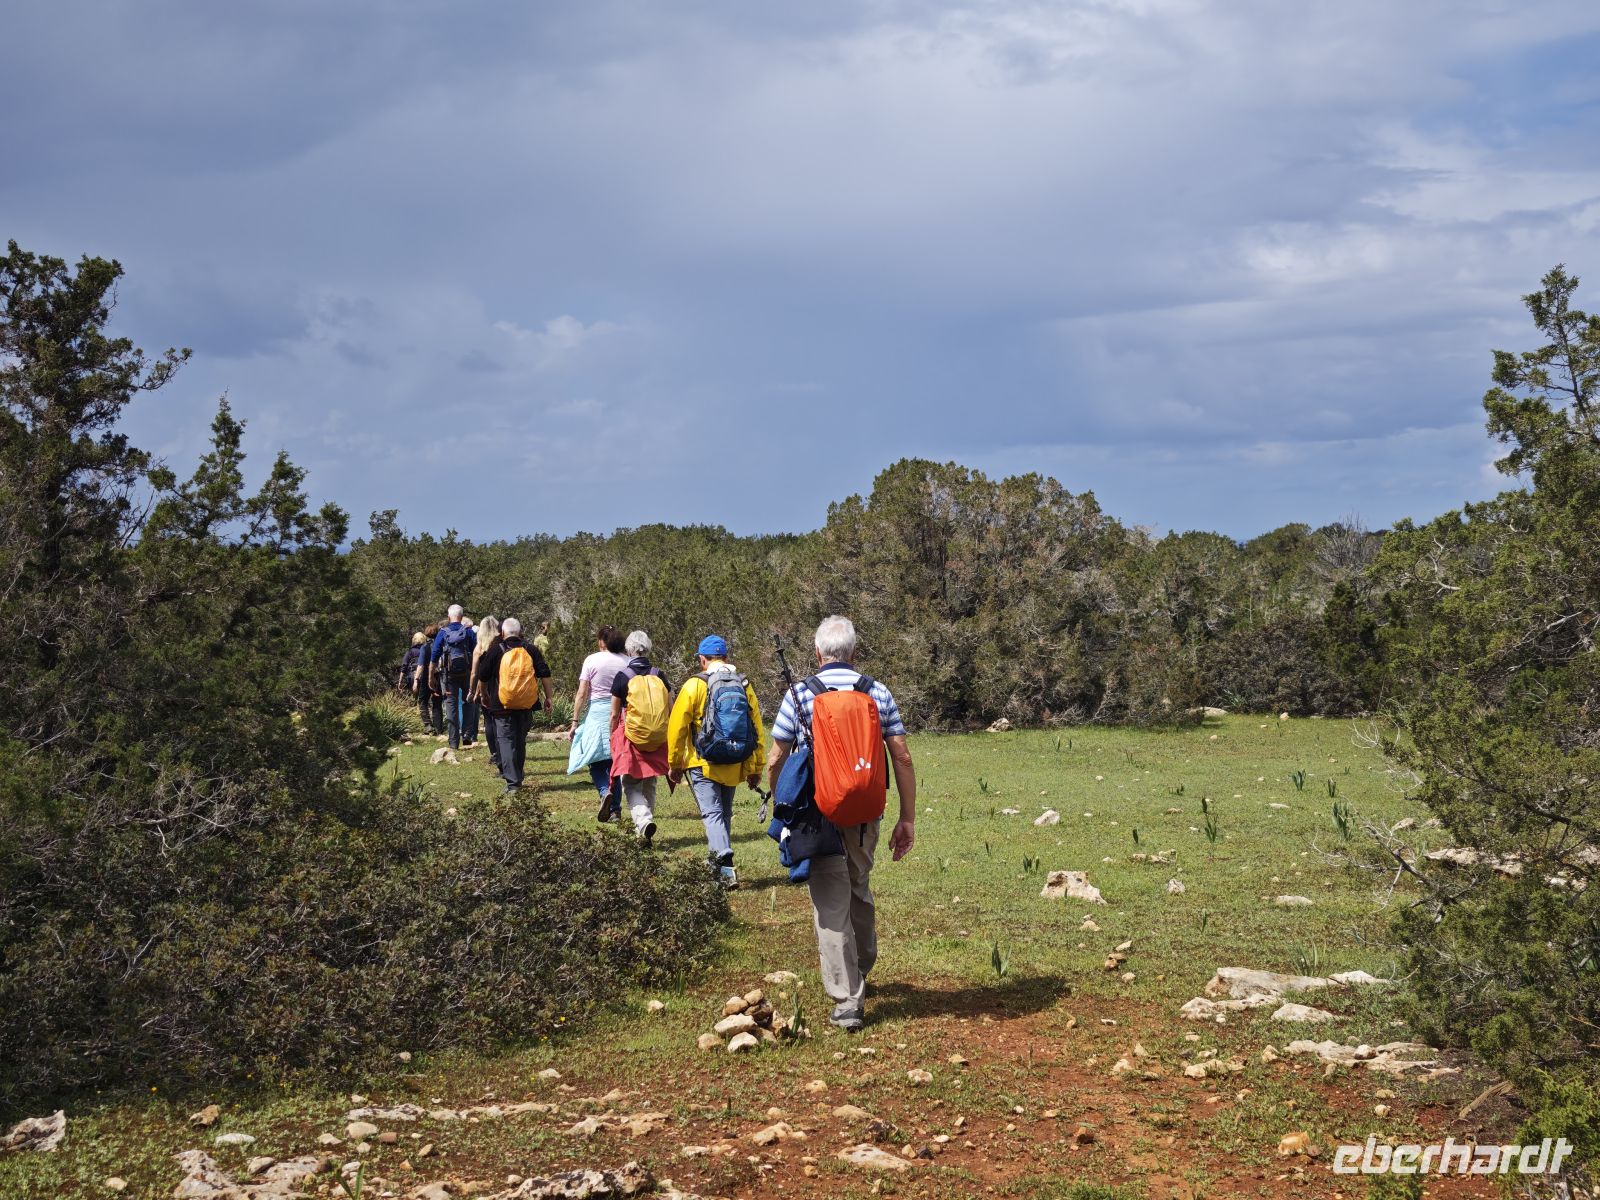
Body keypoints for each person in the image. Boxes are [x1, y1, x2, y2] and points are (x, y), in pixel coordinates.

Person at [767, 615, 916, 1031]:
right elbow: (902, 756)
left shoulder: (800, 694)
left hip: (819, 814)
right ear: (855, 653)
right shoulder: (877, 692)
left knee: (831, 901)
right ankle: (862, 962)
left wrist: (782, 805)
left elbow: (776, 757)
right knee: (857, 884)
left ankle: (849, 1000)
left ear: (817, 653)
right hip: (866, 813)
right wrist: (907, 817)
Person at [667, 634, 766, 888]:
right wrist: (755, 768)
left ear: (702, 660)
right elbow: (756, 727)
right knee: (724, 815)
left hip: (703, 762)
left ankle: (724, 864)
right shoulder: (743, 684)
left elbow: (677, 727)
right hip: (734, 760)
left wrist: (675, 763)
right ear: (726, 657)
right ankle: (718, 868)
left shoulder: (694, 685)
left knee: (712, 814)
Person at [475, 617, 553, 793]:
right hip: (526, 704)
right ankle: (518, 775)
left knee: (506, 742)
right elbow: (545, 674)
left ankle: (513, 783)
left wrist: (484, 695)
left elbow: (483, 675)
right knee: (519, 741)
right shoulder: (531, 649)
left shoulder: (496, 650)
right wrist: (549, 698)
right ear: (520, 633)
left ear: (502, 633)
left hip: (501, 705)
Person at [608, 630, 672, 844]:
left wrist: (612, 737)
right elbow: (670, 707)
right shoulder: (658, 674)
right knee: (650, 782)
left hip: (633, 737)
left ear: (629, 650)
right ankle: (644, 835)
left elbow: (614, 714)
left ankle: (644, 821)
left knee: (631, 783)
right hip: (658, 737)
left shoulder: (623, 676)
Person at [567, 625, 631, 820]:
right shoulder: (627, 661)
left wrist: (575, 721)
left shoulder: (592, 660)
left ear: (602, 641)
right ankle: (616, 810)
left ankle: (604, 791)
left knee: (594, 759)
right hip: (621, 712)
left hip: (597, 713)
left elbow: (582, 693)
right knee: (614, 762)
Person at [430, 605, 477, 750]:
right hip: (467, 673)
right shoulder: (468, 632)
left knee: (451, 705)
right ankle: (467, 735)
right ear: (461, 617)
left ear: (449, 617)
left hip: (448, 675)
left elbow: (434, 656)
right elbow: (477, 652)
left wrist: (430, 676)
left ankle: (453, 742)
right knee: (468, 702)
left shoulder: (443, 633)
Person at [470, 616, 502, 770]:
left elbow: (474, 673)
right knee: (499, 720)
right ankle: (502, 751)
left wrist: (472, 690)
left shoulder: (480, 647)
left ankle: (494, 753)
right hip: (499, 684)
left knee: (488, 720)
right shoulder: (500, 645)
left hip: (485, 686)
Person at [413, 622, 445, 735]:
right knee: (437, 702)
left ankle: (428, 725)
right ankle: (438, 728)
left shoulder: (425, 647)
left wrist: (416, 680)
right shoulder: (442, 645)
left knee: (422, 701)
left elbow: (421, 665)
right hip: (440, 676)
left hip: (426, 677)